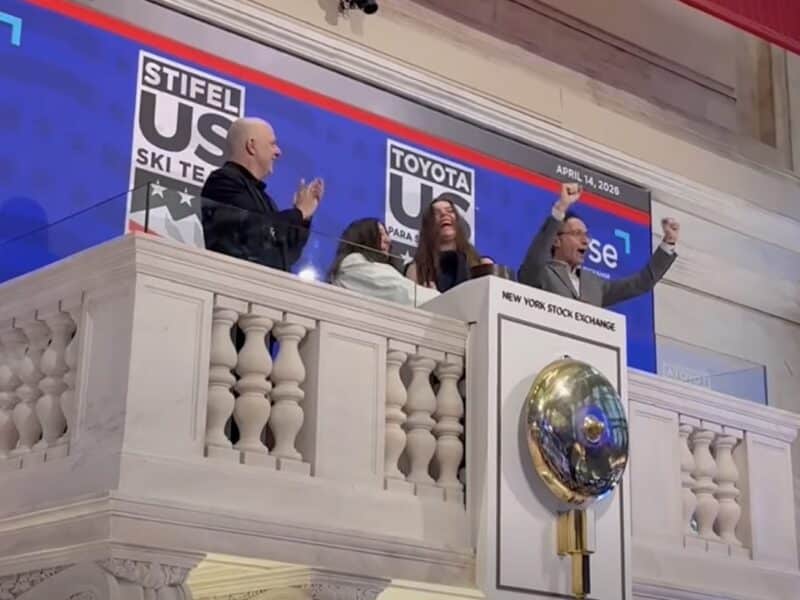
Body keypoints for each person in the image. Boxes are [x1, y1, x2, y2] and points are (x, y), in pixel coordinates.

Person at [518, 182, 679, 307]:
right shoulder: (541, 273)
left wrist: (668, 243)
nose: (585, 240)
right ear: (556, 240)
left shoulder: (595, 284)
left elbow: (642, 283)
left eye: (586, 235)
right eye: (576, 234)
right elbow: (535, 259)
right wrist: (561, 208)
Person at [201, 117, 324, 271]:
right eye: (272, 144)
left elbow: (285, 255)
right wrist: (299, 213)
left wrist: (304, 218)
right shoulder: (223, 182)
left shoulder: (265, 199)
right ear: (252, 146)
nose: (278, 152)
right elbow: (252, 230)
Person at [329, 218, 439, 306]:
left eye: (386, 234)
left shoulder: (376, 268)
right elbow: (398, 291)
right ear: (364, 238)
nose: (388, 240)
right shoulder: (352, 264)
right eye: (380, 234)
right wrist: (435, 298)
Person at [405, 194, 492, 292]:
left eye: (450, 211)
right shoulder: (416, 270)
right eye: (436, 213)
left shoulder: (481, 265)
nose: (444, 214)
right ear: (428, 226)